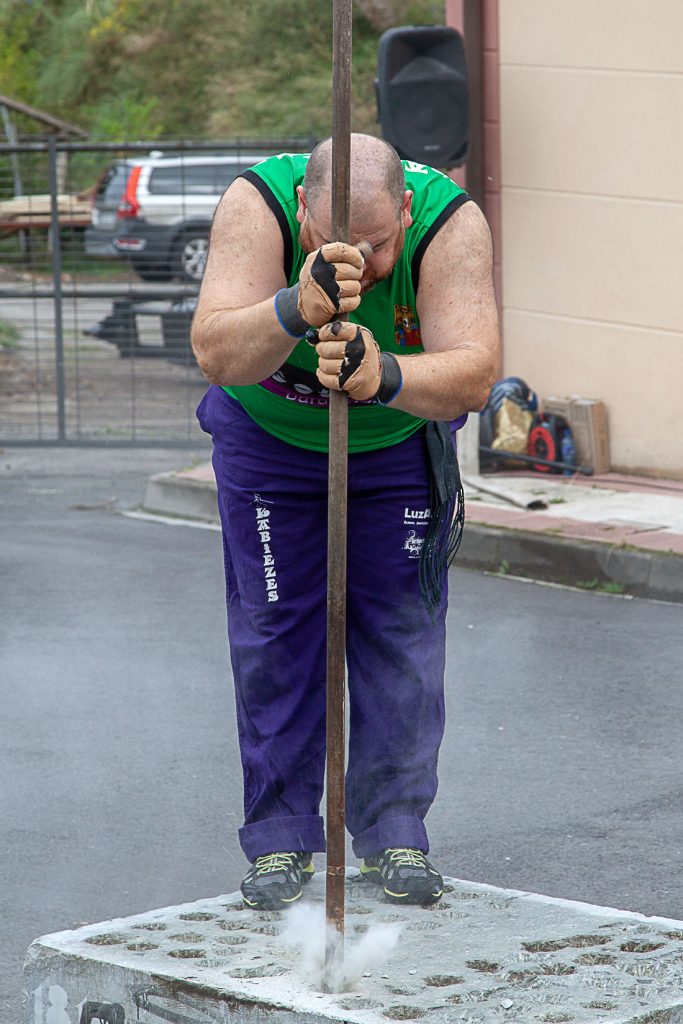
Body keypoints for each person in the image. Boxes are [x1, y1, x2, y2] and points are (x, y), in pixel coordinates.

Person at [192, 133, 499, 910]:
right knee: (273, 636)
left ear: (403, 208)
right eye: (338, 244)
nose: (361, 261)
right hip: (269, 446)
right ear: (301, 209)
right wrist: (297, 307)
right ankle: (280, 839)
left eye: (376, 244)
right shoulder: (256, 202)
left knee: (400, 635)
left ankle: (394, 828)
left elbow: (473, 371)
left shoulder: (448, 221)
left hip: (395, 447)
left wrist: (384, 371)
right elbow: (216, 351)